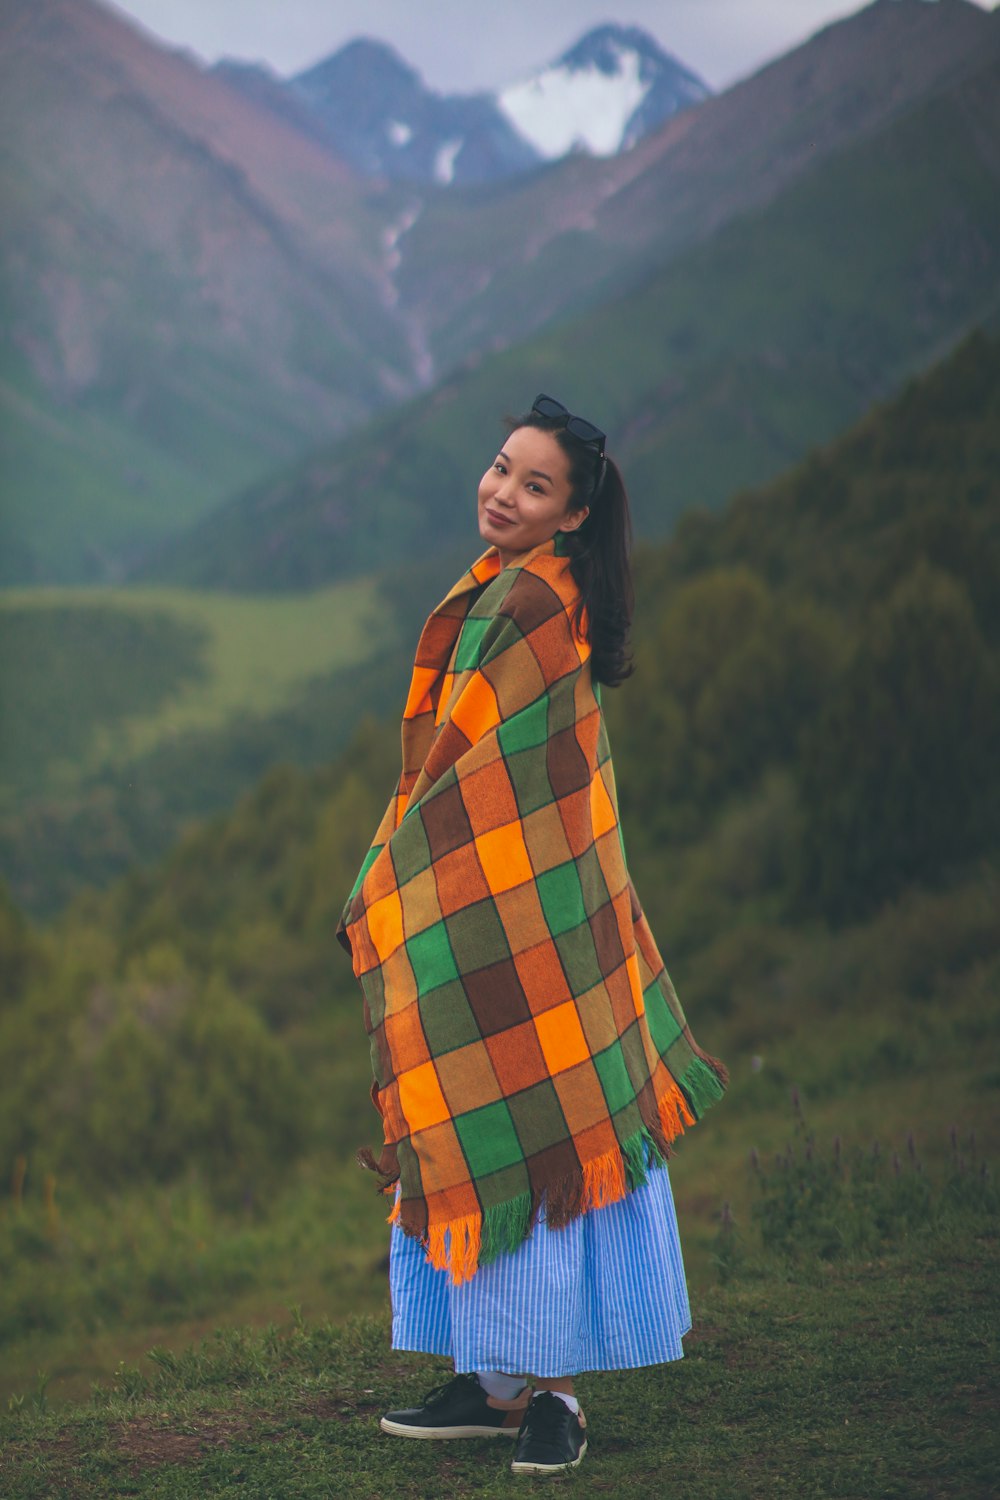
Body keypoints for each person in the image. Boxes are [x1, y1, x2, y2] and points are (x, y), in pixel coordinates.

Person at [336, 394, 728, 1477]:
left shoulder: (537, 608)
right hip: (505, 912)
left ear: (571, 514)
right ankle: (493, 1380)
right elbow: (458, 770)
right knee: (492, 1117)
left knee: (542, 1129)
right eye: (501, 468)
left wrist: (400, 874)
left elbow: (496, 787)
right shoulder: (518, 589)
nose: (503, 492)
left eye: (533, 485)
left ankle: (554, 1393)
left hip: (530, 918)